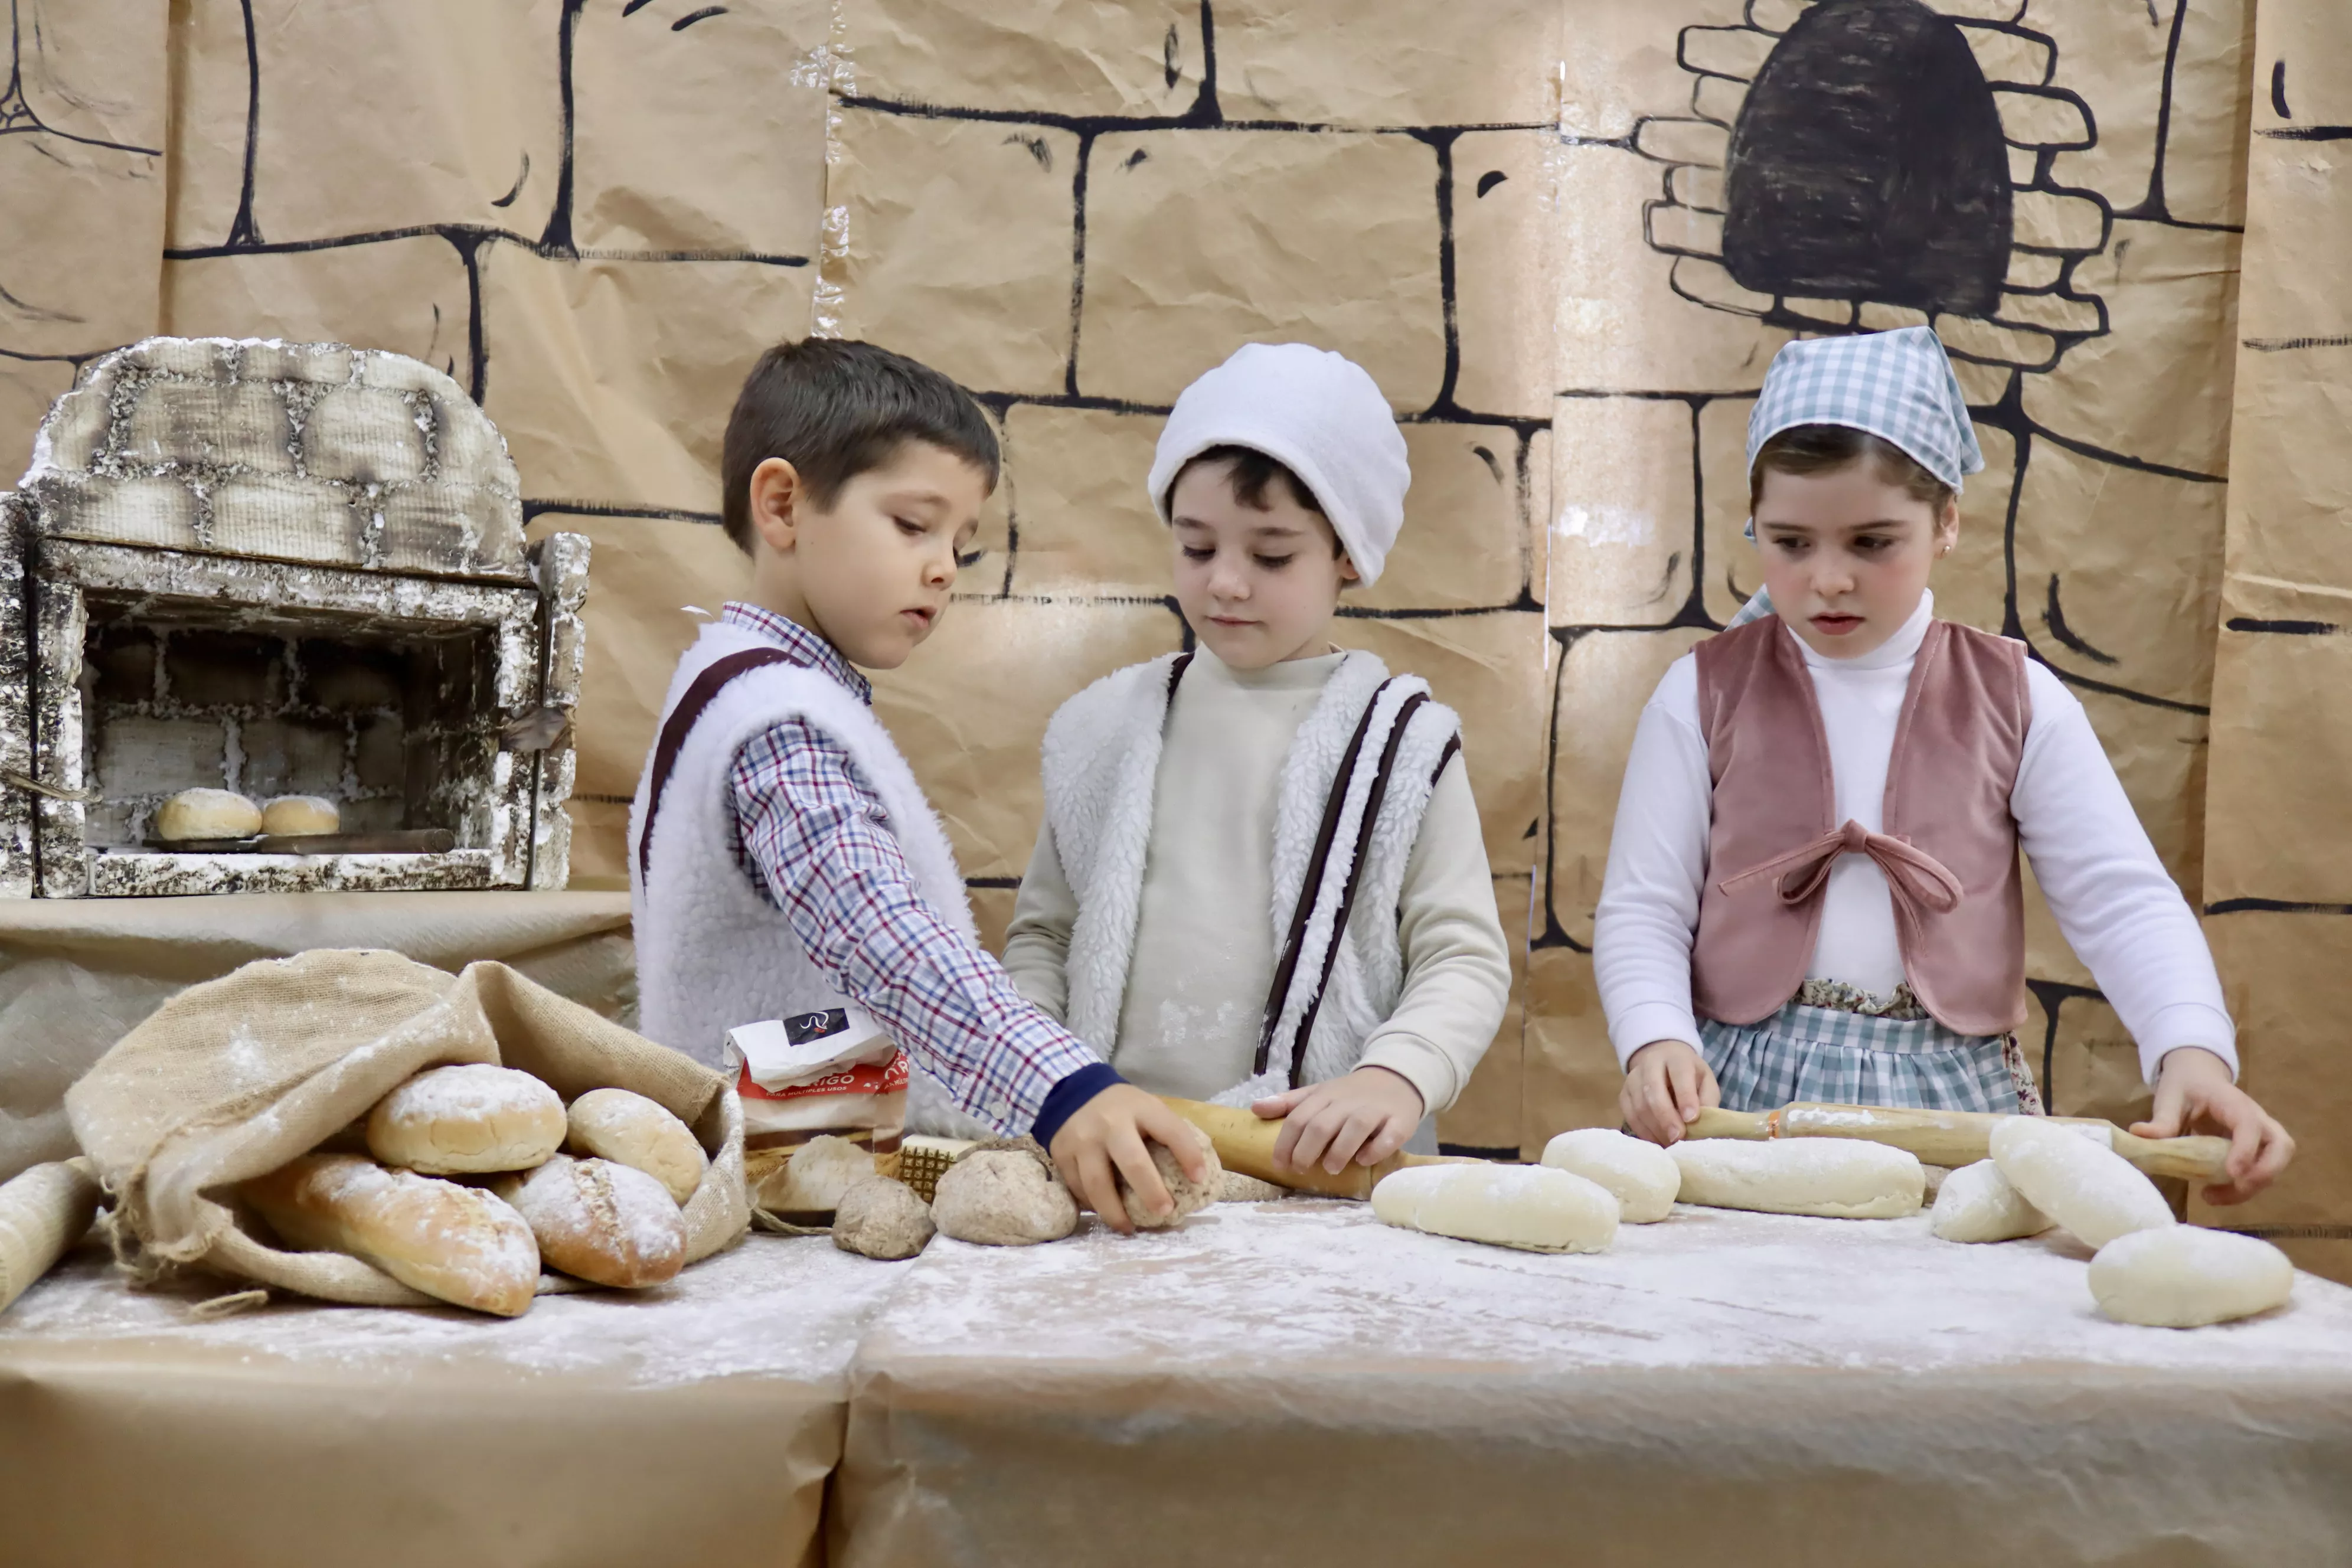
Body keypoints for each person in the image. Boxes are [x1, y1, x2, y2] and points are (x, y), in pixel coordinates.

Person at [1593, 326, 2291, 1203]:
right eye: (1791, 543)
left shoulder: (2017, 696)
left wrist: (2192, 1045)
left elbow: (2121, 899)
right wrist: (1657, 1036)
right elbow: (1644, 905)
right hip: (1735, 1096)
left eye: (1872, 543)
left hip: (1952, 1096)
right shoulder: (1700, 692)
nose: (1829, 579)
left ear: (1947, 522)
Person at [629, 337, 1207, 1230]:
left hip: (810, 1189)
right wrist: (1064, 1088)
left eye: (961, 545)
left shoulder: (754, 686)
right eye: (912, 525)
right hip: (785, 1215)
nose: (943, 568)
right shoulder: (780, 722)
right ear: (783, 505)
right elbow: (883, 937)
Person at [1000, 344, 1512, 1178]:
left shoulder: (1402, 744)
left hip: (1318, 1167)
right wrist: (1053, 1085)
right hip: (1120, 1163)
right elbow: (1045, 939)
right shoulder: (1104, 731)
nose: (1226, 584)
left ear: (1348, 554)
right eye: (1197, 549)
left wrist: (1397, 1075)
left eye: (1271, 556)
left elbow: (1461, 954)